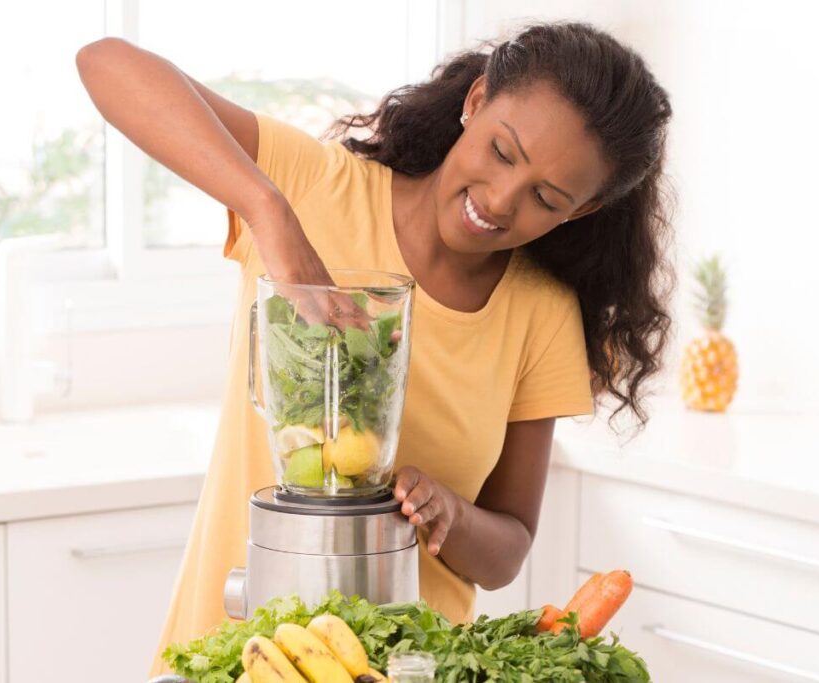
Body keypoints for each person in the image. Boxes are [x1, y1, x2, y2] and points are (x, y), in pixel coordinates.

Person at [75, 20, 673, 679]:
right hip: (233, 656)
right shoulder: (316, 190)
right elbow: (107, 62)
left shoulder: (540, 312)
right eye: (502, 152)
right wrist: (268, 212)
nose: (501, 201)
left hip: (407, 668)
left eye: (546, 198)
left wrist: (450, 513)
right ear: (475, 102)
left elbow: (506, 553)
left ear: (580, 212)